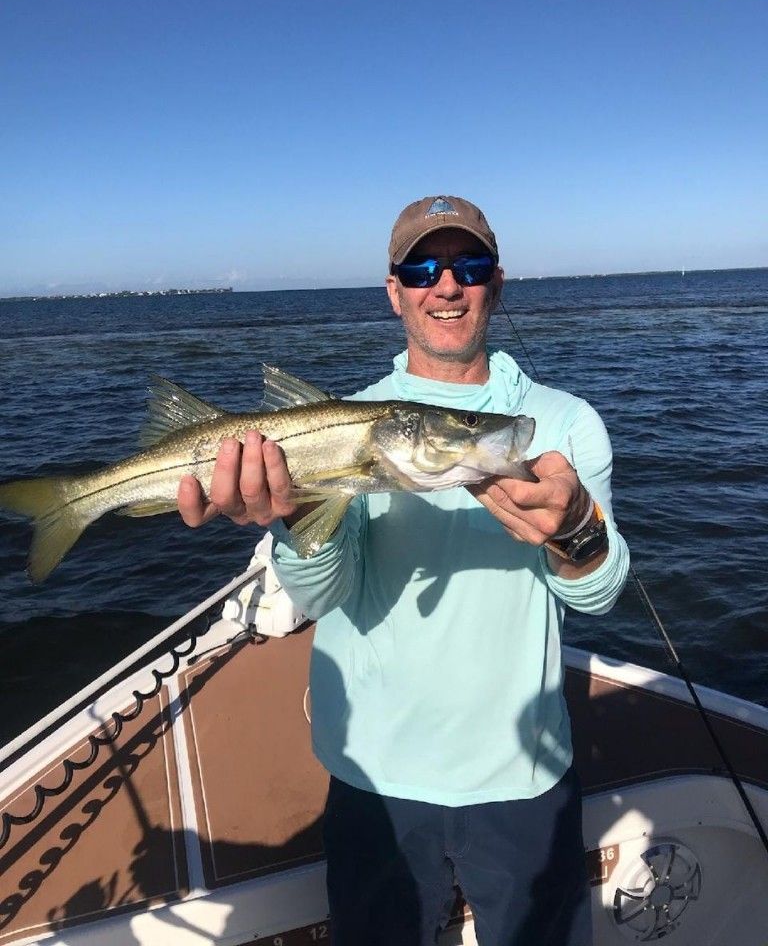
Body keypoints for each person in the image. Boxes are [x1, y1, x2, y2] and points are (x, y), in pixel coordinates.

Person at [178, 195, 630, 946]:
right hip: (374, 778)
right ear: (395, 291)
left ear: (497, 283)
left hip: (522, 774)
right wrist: (293, 517)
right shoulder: (347, 419)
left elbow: (601, 593)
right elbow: (325, 593)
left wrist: (576, 526)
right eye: (422, 267)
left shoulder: (563, 422)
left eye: (468, 265)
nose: (445, 285)